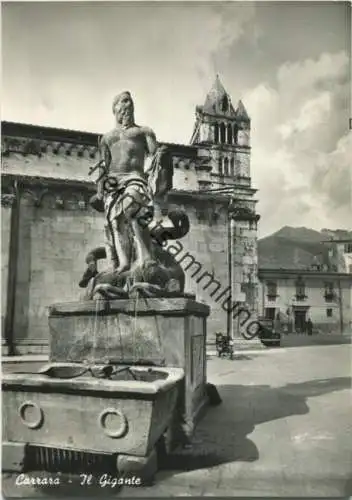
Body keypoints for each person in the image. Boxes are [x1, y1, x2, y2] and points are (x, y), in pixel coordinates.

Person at [91, 91, 169, 275]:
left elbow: (155, 155)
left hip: (135, 178)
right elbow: (103, 165)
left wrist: (161, 160)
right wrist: (100, 190)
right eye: (123, 102)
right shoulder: (107, 138)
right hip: (113, 183)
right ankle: (124, 263)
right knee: (116, 222)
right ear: (115, 108)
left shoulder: (143, 132)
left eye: (130, 102)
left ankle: (147, 256)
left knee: (131, 207)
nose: (128, 106)